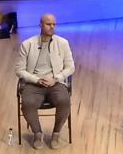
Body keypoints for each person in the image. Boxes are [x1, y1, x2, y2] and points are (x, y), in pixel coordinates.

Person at [15, 13, 75, 150]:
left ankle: (56, 133)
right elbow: (19, 70)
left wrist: (56, 78)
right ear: (40, 25)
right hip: (34, 83)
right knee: (27, 103)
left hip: (56, 82)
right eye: (49, 24)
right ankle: (37, 133)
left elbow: (71, 67)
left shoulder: (63, 43)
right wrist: (36, 79)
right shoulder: (27, 44)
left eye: (54, 24)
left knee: (64, 101)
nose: (52, 27)